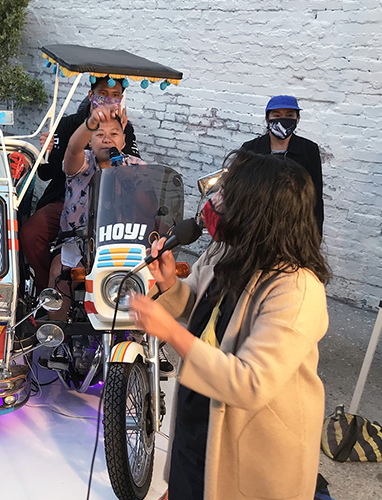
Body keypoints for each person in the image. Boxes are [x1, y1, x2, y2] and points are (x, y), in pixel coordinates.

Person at [129, 150, 330, 500]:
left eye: (225, 196)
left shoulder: (297, 291)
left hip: (252, 452)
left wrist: (172, 333)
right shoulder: (228, 251)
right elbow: (201, 312)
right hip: (200, 423)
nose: (213, 202)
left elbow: (250, 383)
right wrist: (170, 286)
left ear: (257, 215)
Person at [21, 77, 139, 293]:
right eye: (103, 93)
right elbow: (48, 172)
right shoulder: (69, 124)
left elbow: (132, 170)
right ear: (91, 95)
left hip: (110, 203)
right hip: (68, 198)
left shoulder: (124, 128)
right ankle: (47, 290)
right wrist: (48, 150)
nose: (109, 100)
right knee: (31, 233)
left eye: (115, 96)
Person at [47, 104, 145, 320]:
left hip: (122, 242)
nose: (107, 139)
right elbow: (73, 148)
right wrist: (90, 123)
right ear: (90, 141)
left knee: (150, 274)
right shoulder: (81, 163)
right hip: (78, 242)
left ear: (123, 141)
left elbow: (151, 206)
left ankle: (138, 334)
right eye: (99, 134)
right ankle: (57, 334)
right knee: (59, 273)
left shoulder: (136, 167)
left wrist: (133, 185)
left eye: (113, 134)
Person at [240, 95, 324, 236]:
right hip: (256, 225)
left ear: (297, 119)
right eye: (276, 115)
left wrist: (315, 233)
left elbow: (315, 195)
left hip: (294, 227)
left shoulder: (308, 149)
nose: (283, 119)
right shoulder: (250, 149)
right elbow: (240, 192)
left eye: (289, 115)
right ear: (267, 118)